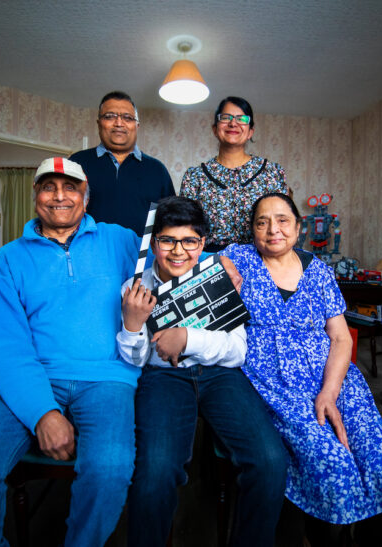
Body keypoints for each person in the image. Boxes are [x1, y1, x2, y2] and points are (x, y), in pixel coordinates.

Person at [0, 157, 142, 547]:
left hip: (107, 378)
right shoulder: (6, 261)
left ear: (86, 196)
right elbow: (8, 347)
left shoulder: (121, 240)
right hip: (35, 377)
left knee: (110, 468)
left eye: (70, 187)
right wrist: (43, 413)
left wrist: (221, 264)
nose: (60, 196)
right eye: (49, 186)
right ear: (36, 196)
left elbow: (174, 256)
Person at [221, 193, 382, 546]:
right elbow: (191, 259)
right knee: (331, 462)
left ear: (299, 227)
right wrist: (219, 263)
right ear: (252, 231)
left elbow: (341, 339)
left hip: (335, 379)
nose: (272, 229)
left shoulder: (319, 271)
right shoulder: (238, 258)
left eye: (282, 220)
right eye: (262, 222)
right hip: (277, 384)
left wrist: (329, 391)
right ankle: (326, 538)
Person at [118, 196, 288, 547]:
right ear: (154, 243)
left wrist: (188, 338)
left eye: (190, 241)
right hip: (162, 378)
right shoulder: (134, 288)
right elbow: (136, 361)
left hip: (220, 376)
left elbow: (237, 350)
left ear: (203, 242)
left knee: (270, 460)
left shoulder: (219, 277)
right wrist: (133, 327)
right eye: (168, 240)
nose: (178, 251)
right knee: (155, 472)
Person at [180, 96, 289, 251]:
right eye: (226, 118)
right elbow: (185, 231)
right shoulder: (195, 177)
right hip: (210, 264)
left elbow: (283, 225)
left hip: (262, 261)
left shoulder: (272, 172)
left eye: (241, 118)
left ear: (251, 131)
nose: (233, 123)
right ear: (215, 129)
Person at [70, 91, 175, 236]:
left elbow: (171, 222)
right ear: (99, 123)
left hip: (141, 257)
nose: (119, 123)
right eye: (109, 116)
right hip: (88, 255)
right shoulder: (76, 164)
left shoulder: (157, 170)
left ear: (137, 125)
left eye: (127, 118)